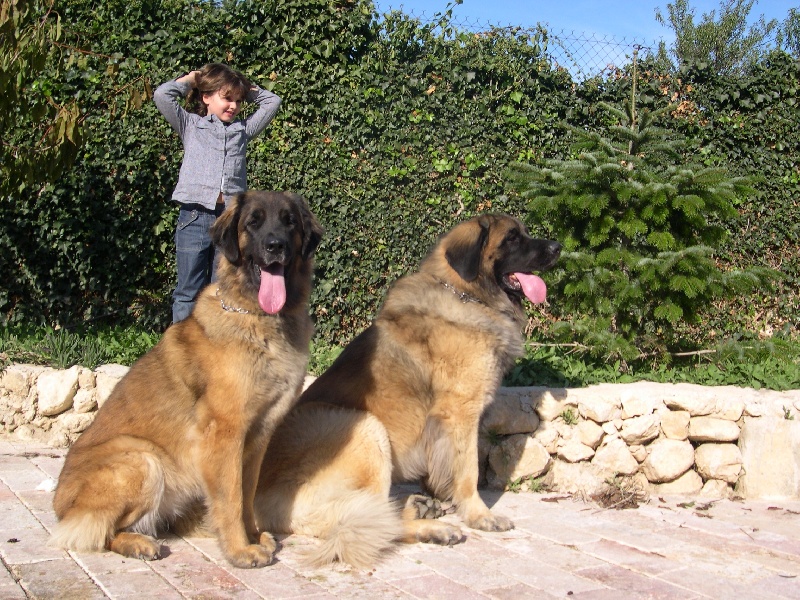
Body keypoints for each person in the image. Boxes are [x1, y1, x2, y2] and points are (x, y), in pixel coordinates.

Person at [154, 63, 281, 323]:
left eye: (238, 101)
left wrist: (246, 88)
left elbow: (272, 102)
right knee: (188, 290)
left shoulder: (242, 130)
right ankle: (182, 344)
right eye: (227, 98)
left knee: (221, 289)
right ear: (206, 97)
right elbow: (162, 96)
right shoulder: (191, 125)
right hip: (194, 216)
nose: (233, 106)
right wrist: (192, 80)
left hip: (228, 220)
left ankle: (216, 341)